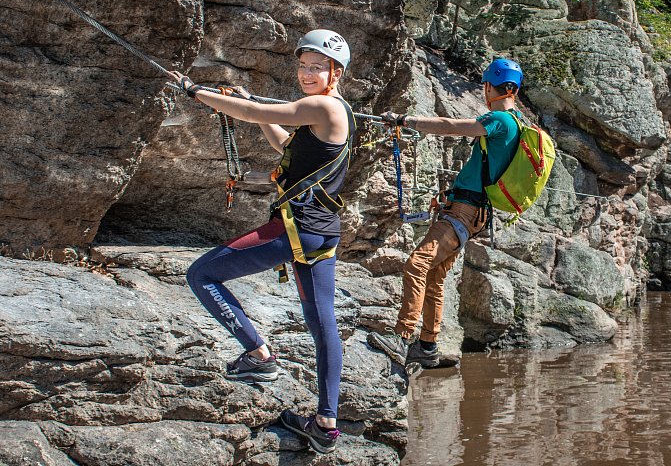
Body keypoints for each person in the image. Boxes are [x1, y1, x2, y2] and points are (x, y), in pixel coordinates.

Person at [175, 29, 354, 454]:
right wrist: (245, 100)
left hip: (295, 230)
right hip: (321, 233)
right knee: (322, 321)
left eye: (318, 67)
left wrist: (196, 91)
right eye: (303, 65)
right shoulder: (330, 112)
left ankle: (258, 356)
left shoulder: (322, 105)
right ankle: (325, 423)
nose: (308, 74)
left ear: (336, 72)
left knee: (202, 275)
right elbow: (282, 140)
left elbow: (257, 115)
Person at [367, 58, 525, 369]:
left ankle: (402, 336)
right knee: (436, 275)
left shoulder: (501, 120)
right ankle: (427, 345)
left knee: (417, 263)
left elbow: (451, 127)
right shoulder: (519, 122)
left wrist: (406, 120)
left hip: (465, 210)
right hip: (469, 208)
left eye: (485, 87)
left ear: (490, 86)